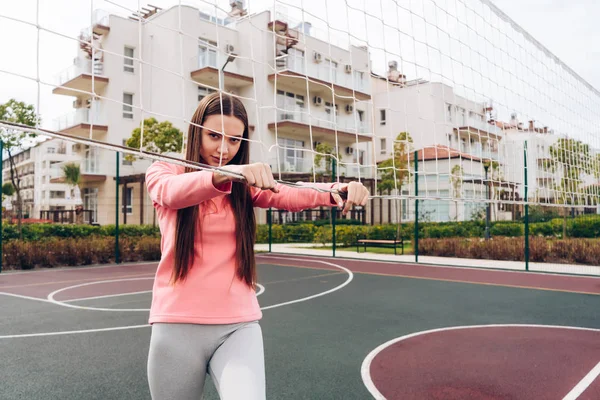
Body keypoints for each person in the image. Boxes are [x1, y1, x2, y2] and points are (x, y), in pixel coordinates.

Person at [144, 92, 369, 400]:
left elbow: (287, 193)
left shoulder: (242, 184)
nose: (224, 149)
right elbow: (171, 193)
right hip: (176, 325)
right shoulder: (165, 171)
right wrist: (223, 175)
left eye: (234, 141)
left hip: (238, 327)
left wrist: (335, 190)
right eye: (214, 136)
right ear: (196, 131)